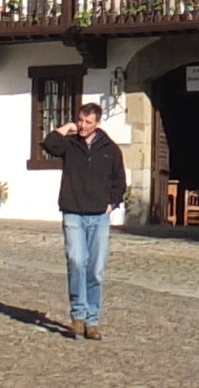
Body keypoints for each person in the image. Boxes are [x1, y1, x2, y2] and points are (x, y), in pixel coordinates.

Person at [31, 97, 127, 340]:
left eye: (88, 122)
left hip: (99, 217)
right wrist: (65, 128)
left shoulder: (110, 149)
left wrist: (111, 204)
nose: (83, 125)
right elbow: (49, 145)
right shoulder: (70, 144)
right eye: (81, 120)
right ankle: (78, 316)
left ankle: (92, 321)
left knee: (95, 269)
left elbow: (119, 181)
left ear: (97, 123)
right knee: (76, 261)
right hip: (73, 212)